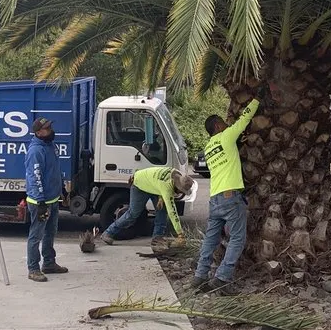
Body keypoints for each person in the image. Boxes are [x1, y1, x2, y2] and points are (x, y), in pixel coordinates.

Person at [192, 97, 260, 293]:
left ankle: (200, 275)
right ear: (217, 125)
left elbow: (227, 154)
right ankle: (222, 277)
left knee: (210, 239)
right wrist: (256, 100)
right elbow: (244, 119)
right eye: (223, 122)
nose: (226, 124)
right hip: (231, 197)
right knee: (238, 238)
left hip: (215, 199)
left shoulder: (209, 147)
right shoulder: (227, 136)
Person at [101, 166, 193, 246]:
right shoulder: (167, 187)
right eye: (181, 191)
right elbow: (172, 211)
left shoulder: (175, 175)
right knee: (133, 214)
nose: (181, 193)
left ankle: (157, 238)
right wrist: (180, 233)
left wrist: (161, 198)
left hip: (153, 185)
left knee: (162, 211)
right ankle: (108, 233)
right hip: (139, 184)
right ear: (177, 186)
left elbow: (158, 181)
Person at [25, 116, 68, 282]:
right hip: (40, 202)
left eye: (50, 127)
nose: (51, 131)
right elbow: (34, 177)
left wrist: (62, 189)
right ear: (38, 132)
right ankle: (33, 268)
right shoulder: (36, 151)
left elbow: (55, 170)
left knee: (51, 232)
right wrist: (41, 202)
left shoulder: (50, 146)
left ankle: (49, 263)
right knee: (36, 235)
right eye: (47, 128)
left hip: (53, 198)